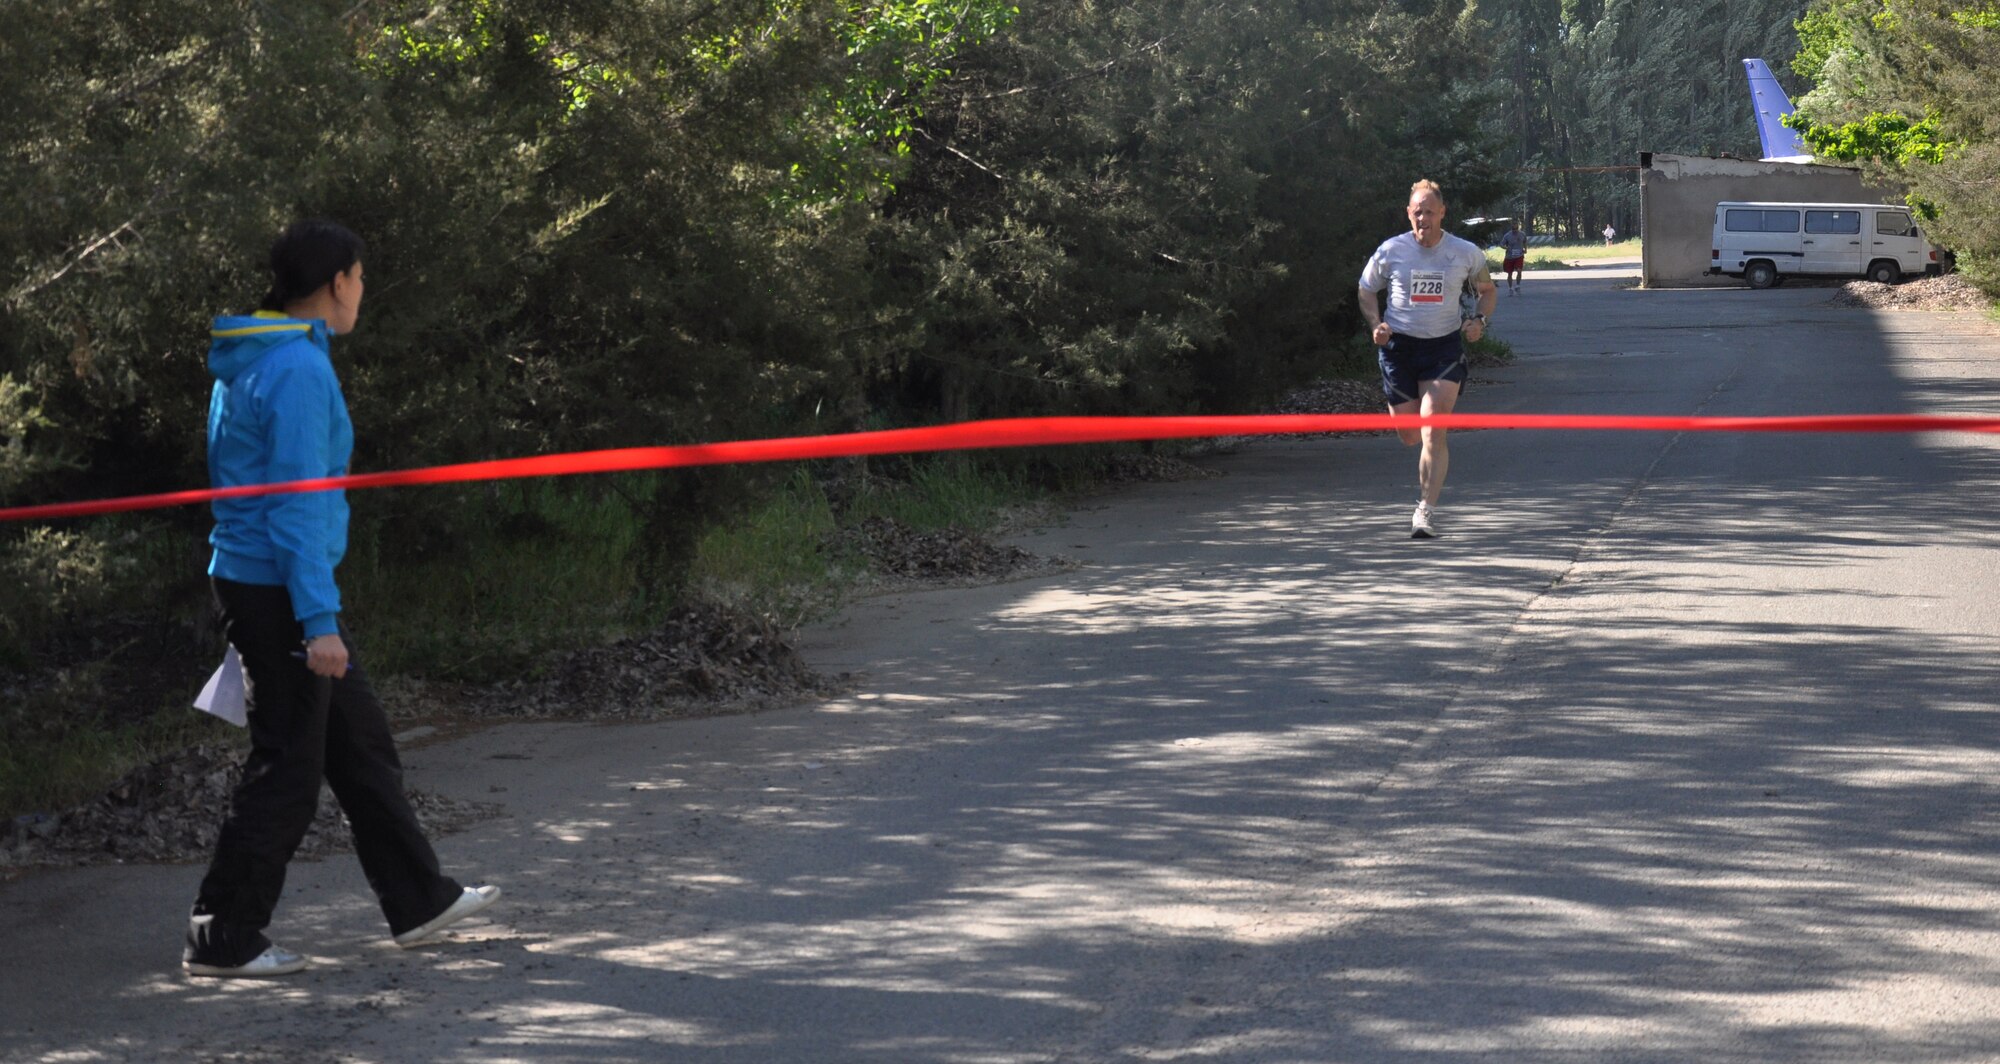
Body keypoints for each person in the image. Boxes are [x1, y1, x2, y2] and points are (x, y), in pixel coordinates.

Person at [184, 220, 500, 978]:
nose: (363, 293)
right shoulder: (293, 368)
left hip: (269, 580)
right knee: (289, 766)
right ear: (337, 282)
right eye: (361, 279)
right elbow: (295, 504)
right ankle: (221, 936)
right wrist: (317, 622)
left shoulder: (268, 355)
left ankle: (420, 900)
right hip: (277, 590)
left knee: (359, 746)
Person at [1357, 180, 1498, 538]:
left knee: (1433, 424)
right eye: (1417, 212)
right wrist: (1376, 324)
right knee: (1409, 434)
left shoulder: (1465, 253)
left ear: (1442, 213)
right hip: (1399, 349)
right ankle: (1424, 457)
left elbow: (1487, 291)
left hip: (1443, 349)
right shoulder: (1391, 250)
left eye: (1430, 211)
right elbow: (1366, 288)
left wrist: (1478, 320)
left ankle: (1425, 511)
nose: (1423, 218)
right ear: (1409, 214)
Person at [1498, 222, 1528, 294]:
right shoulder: (1507, 235)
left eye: (1516, 229)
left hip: (1519, 256)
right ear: (1511, 229)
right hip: (1510, 257)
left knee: (1519, 271)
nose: (1515, 230)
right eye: (1513, 229)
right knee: (1510, 273)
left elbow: (1525, 241)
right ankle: (1510, 288)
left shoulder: (1522, 234)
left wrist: (1525, 249)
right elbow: (1501, 244)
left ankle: (1517, 286)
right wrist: (1506, 248)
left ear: (1518, 228)